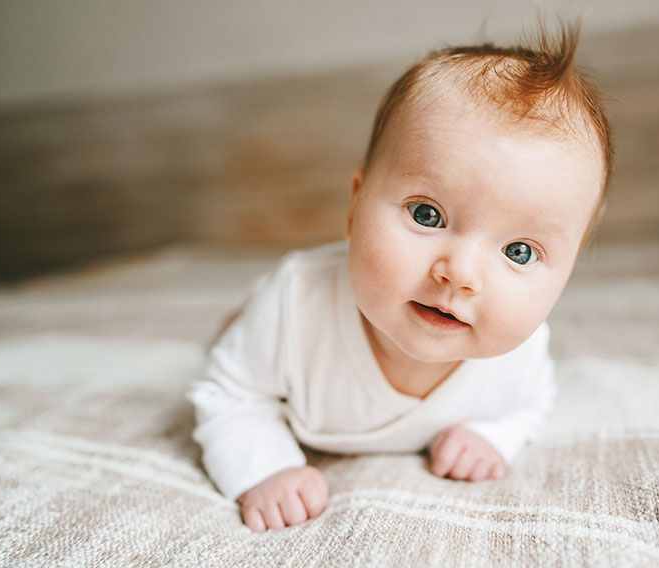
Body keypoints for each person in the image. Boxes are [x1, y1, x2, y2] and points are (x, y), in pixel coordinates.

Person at [189, 23, 612, 533]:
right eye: (427, 215)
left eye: (519, 251)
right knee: (238, 344)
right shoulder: (296, 306)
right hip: (278, 317)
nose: (460, 274)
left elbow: (533, 404)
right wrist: (265, 467)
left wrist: (494, 436)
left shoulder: (520, 357)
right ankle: (234, 322)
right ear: (354, 207)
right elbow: (229, 395)